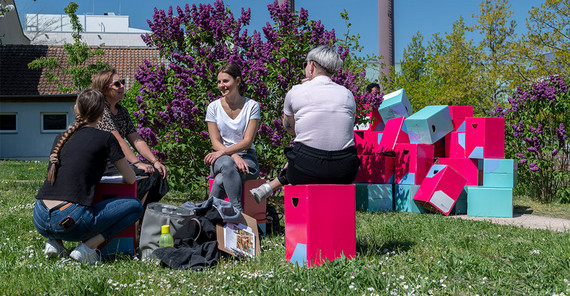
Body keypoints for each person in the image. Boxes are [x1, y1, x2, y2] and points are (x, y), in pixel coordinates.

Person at [32, 89, 143, 264]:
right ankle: (88, 248)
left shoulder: (61, 137)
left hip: (39, 216)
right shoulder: (106, 138)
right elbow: (130, 178)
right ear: (101, 113)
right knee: (136, 207)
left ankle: (54, 242)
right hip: (69, 219)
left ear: (76, 109)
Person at [250, 45, 361, 202]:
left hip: (305, 169)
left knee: (299, 152)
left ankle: (269, 187)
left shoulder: (295, 92)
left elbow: (289, 128)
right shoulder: (347, 94)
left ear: (312, 65)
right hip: (345, 170)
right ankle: (268, 187)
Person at [92, 69, 169, 207]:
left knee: (158, 173)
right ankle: (130, 213)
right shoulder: (101, 110)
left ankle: (142, 216)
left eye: (122, 82)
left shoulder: (122, 111)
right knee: (142, 175)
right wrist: (137, 163)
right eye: (117, 84)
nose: (122, 86)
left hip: (119, 161)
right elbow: (118, 141)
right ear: (104, 90)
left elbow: (135, 138)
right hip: (104, 164)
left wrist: (154, 161)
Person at [204, 63, 261, 211]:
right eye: (219, 82)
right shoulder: (213, 107)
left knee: (220, 180)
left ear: (237, 81)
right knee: (228, 164)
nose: (221, 85)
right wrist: (233, 156)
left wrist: (228, 154)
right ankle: (237, 212)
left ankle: (207, 214)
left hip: (247, 159)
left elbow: (248, 142)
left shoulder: (252, 106)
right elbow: (215, 142)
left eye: (225, 81)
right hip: (222, 159)